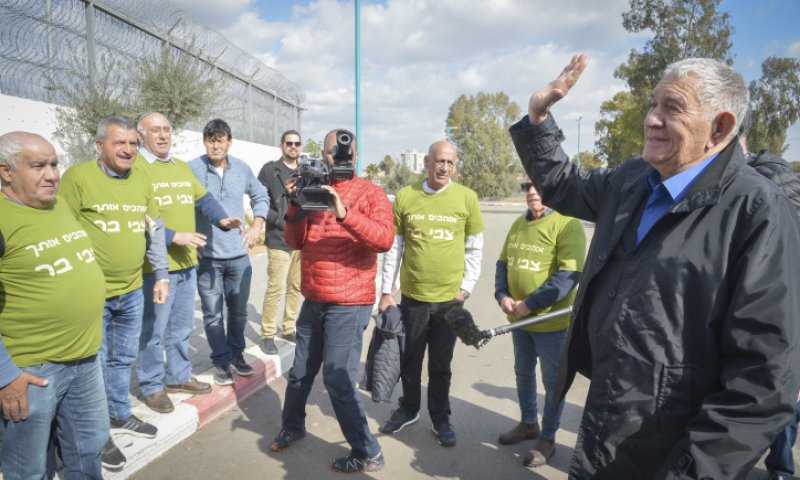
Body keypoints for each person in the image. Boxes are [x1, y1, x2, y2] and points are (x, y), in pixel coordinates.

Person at [509, 54, 800, 478]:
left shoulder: (758, 211)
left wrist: (687, 472)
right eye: (653, 104)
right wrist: (539, 119)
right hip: (608, 416)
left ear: (720, 127)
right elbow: (564, 185)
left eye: (673, 108)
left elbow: (762, 383)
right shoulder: (634, 179)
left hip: (674, 446)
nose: (652, 119)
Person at [270, 129, 394, 473]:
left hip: (349, 303)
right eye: (332, 153)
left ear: (356, 155)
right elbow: (295, 241)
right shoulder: (311, 189)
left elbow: (384, 239)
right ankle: (292, 425)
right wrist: (295, 203)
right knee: (299, 374)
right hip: (314, 299)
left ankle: (367, 450)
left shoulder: (372, 193)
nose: (340, 159)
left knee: (338, 379)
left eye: (346, 153)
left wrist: (345, 214)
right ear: (322, 156)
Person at [59, 116, 170, 471]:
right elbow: (61, 230)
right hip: (91, 293)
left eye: (133, 144)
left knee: (122, 359)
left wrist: (163, 275)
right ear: (99, 146)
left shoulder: (143, 177)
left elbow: (154, 230)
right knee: (93, 367)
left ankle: (120, 415)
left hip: (132, 288)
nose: (128, 150)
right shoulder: (78, 178)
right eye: (119, 143)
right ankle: (97, 435)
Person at [0, 132, 108, 478]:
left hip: (86, 363)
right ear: (5, 171)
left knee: (89, 452)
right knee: (27, 470)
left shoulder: (58, 204)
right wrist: (5, 376)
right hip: (31, 372)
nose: (52, 174)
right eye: (38, 166)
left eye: (54, 164)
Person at [378, 140, 485, 448]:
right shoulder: (406, 196)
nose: (445, 168)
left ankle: (440, 418)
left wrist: (465, 288)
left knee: (440, 365)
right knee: (410, 360)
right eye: (439, 161)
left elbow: (475, 247)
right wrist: (386, 290)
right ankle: (409, 408)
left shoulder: (467, 198)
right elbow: (394, 247)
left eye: (450, 163)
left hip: (450, 302)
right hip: (413, 298)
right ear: (426, 161)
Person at [134, 112, 241, 414]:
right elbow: (135, 218)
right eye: (155, 130)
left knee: (180, 328)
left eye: (167, 129)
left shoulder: (180, 167)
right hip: (155, 268)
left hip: (186, 264)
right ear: (140, 134)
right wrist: (172, 236)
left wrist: (222, 218)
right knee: (153, 331)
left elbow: (202, 198)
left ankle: (178, 376)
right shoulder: (136, 168)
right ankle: (152, 385)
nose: (163, 135)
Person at [494, 181, 585, 466]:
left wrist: (529, 304)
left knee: (553, 382)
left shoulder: (568, 224)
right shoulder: (519, 223)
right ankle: (528, 423)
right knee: (523, 373)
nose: (532, 192)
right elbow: (502, 264)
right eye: (528, 186)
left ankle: (547, 438)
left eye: (539, 187)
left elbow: (569, 275)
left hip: (551, 323)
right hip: (519, 322)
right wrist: (502, 295)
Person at [739, 120, 800, 480]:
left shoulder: (771, 182)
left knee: (782, 388)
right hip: (761, 298)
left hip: (780, 297)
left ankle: (779, 468)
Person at [189, 119, 269, 385]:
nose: (215, 145)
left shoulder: (242, 169)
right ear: (205, 142)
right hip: (207, 258)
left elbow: (261, 195)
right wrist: (191, 243)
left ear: (229, 142)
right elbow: (178, 207)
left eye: (220, 140)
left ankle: (237, 355)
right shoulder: (192, 170)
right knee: (212, 314)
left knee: (238, 312)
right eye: (211, 140)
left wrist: (257, 223)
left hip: (238, 257)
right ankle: (221, 361)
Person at [256, 130, 303, 355]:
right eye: (289, 143)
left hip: (301, 240)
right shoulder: (269, 170)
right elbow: (259, 200)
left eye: (297, 143)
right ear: (282, 145)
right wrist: (278, 221)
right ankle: (267, 334)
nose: (293, 147)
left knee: (295, 287)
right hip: (278, 238)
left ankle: (289, 327)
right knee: (276, 287)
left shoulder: (306, 172)